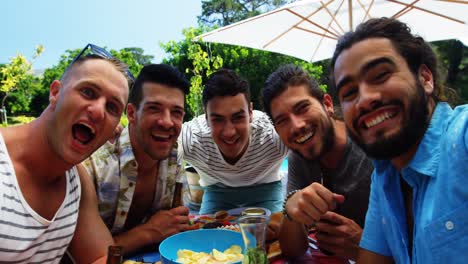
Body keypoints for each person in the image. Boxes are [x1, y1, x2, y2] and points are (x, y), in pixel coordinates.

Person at [331, 17, 468, 264]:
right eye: (349, 93)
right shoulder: (385, 176)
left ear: (426, 78)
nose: (364, 100)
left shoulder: (463, 136)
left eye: (381, 75)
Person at [0, 44, 131, 263]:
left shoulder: (77, 181)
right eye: (88, 92)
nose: (98, 111)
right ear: (55, 93)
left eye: (112, 107)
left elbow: (100, 257)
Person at [262, 64, 373, 260]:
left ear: (327, 104)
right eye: (282, 121)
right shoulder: (299, 155)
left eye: (302, 108)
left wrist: (365, 247)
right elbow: (292, 251)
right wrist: (291, 212)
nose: (296, 126)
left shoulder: (372, 146)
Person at [80, 64, 192, 255]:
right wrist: (147, 232)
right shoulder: (93, 167)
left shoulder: (173, 156)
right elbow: (83, 256)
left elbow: (177, 230)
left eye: (176, 112)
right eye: (154, 109)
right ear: (131, 113)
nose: (167, 122)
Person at [179, 69, 289, 214]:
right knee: (208, 235)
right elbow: (163, 145)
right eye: (217, 119)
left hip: (267, 189)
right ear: (206, 117)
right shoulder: (193, 138)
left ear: (250, 112)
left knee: (276, 233)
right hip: (217, 193)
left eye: (238, 117)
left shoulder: (273, 134)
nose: (229, 132)